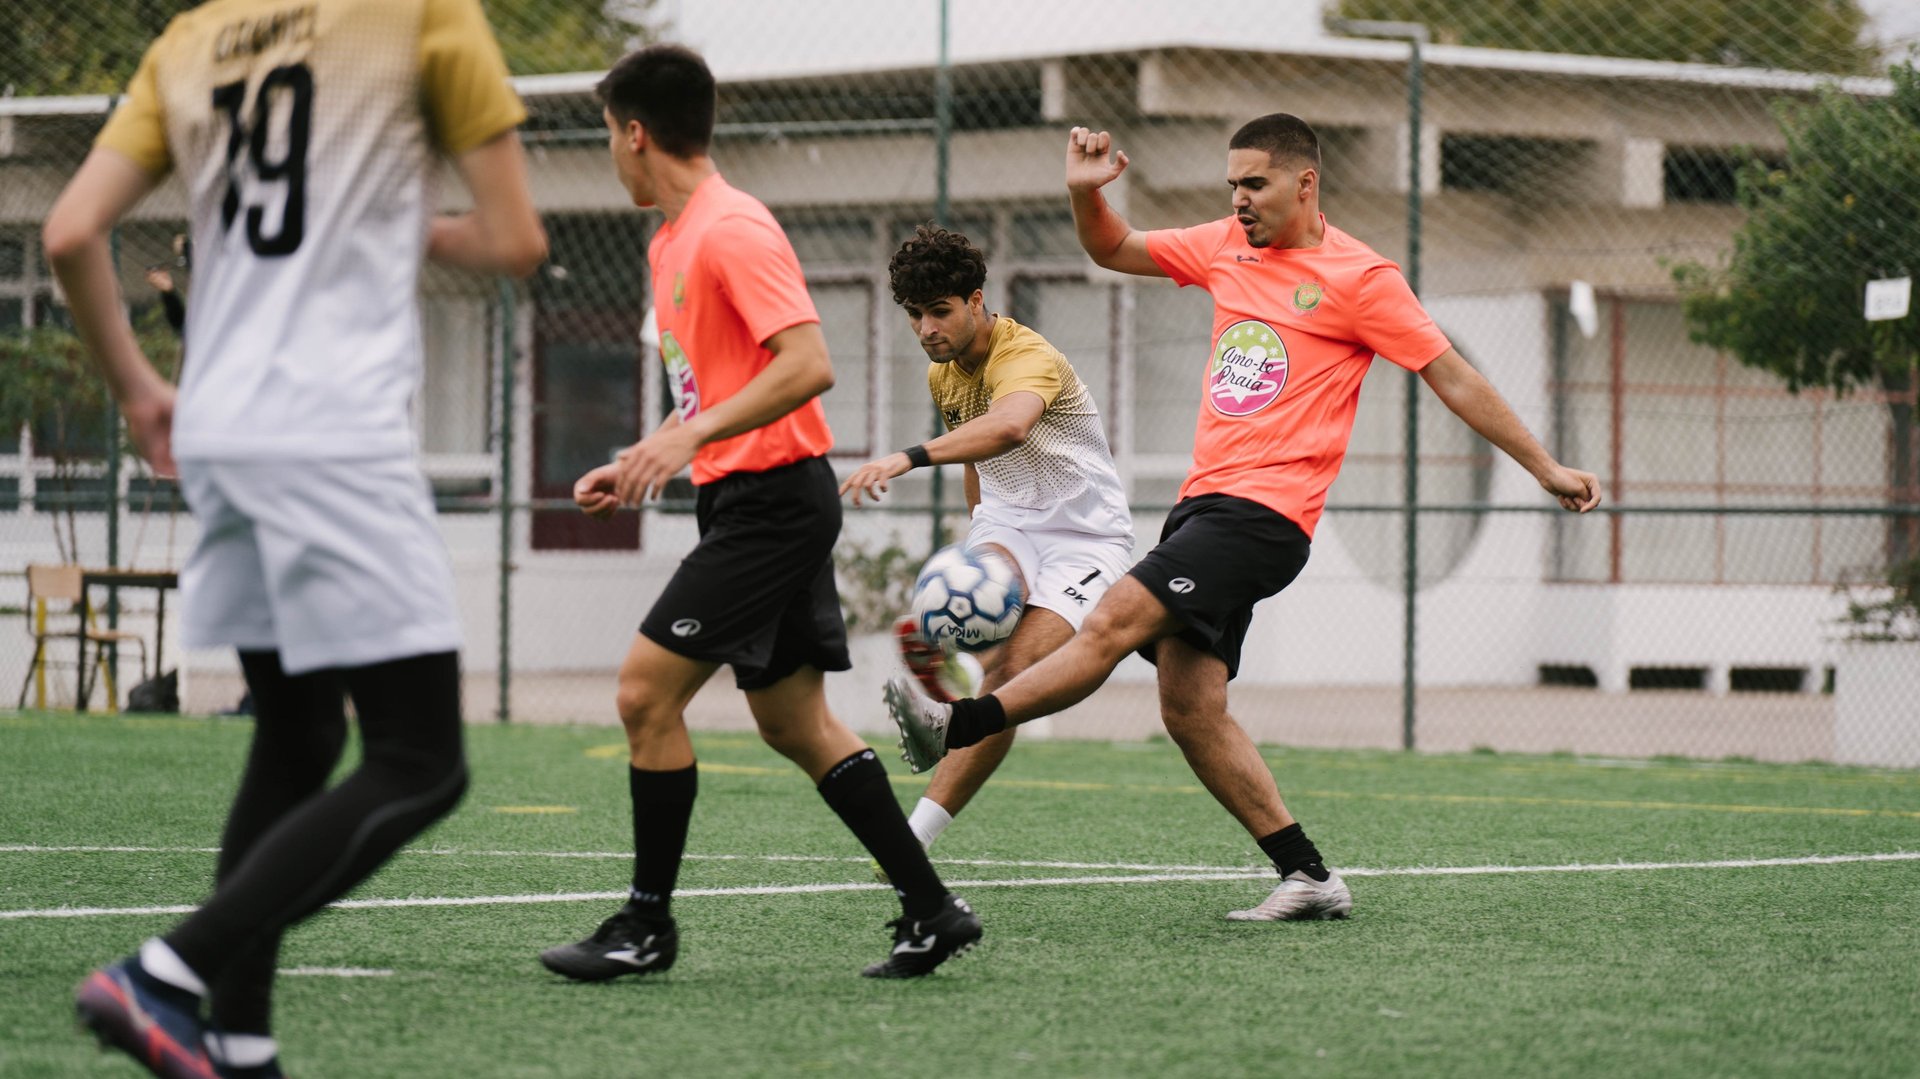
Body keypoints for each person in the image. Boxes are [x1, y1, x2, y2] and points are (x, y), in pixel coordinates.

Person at [885, 114, 1602, 922]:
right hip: (1203, 507)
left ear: (1306, 183)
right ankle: (1309, 875)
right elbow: (1112, 247)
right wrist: (1085, 194)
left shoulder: (1363, 278)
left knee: (1112, 618)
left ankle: (957, 722)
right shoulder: (1226, 244)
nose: (1239, 199)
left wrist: (1544, 465)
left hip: (1265, 516)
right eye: (1233, 184)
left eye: (1254, 183)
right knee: (1190, 708)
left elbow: (1454, 376)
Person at [46, 0, 546, 1075]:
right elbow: (514, 241)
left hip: (218, 423)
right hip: (331, 430)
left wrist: (138, 389)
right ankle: (164, 973)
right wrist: (396, 224)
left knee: (300, 734)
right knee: (421, 761)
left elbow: (70, 233)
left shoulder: (192, 39)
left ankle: (240, 1041)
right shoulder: (420, 16)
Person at [539, 44, 980, 983]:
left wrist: (687, 441)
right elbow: (714, 392)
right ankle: (932, 909)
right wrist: (644, 454)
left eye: (608, 136)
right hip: (745, 498)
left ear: (635, 133)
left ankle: (645, 926)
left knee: (643, 695)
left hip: (774, 504)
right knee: (793, 723)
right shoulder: (669, 242)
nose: (609, 155)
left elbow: (808, 364)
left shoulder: (731, 228)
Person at [840, 224, 1133, 860]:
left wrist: (905, 457)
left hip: (1085, 537)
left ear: (976, 300)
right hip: (1008, 521)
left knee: (1012, 677)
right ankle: (950, 679)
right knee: (971, 604)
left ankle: (953, 691)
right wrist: (978, 539)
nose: (925, 329)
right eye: (914, 315)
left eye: (939, 311)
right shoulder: (943, 372)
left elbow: (1006, 427)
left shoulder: (1026, 355)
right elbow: (975, 458)